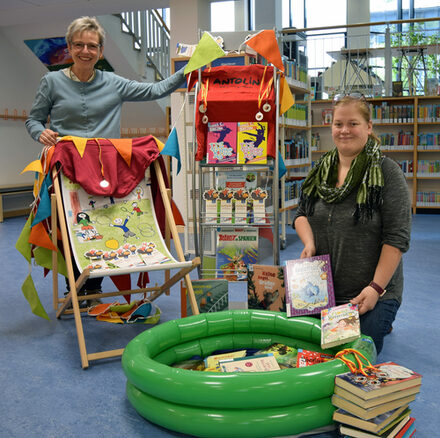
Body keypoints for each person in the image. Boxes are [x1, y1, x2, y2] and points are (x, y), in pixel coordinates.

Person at [25, 16, 186, 306]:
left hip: (107, 170)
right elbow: (33, 120)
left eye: (92, 45)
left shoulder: (114, 83)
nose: (85, 51)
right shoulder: (51, 82)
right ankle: (77, 285)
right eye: (79, 45)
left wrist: (187, 72)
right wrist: (42, 133)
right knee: (73, 227)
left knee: (104, 225)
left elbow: (154, 91)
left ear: (101, 50)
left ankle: (92, 286)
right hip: (68, 169)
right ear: (69, 47)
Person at [293, 93, 411, 355]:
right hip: (321, 290)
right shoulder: (320, 170)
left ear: (368, 127)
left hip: (370, 292)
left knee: (352, 357)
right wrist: (309, 241)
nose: (344, 130)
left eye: (353, 123)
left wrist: (375, 288)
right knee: (302, 350)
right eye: (338, 124)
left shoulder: (388, 173)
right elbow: (301, 213)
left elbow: (397, 238)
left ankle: (383, 317)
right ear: (331, 127)